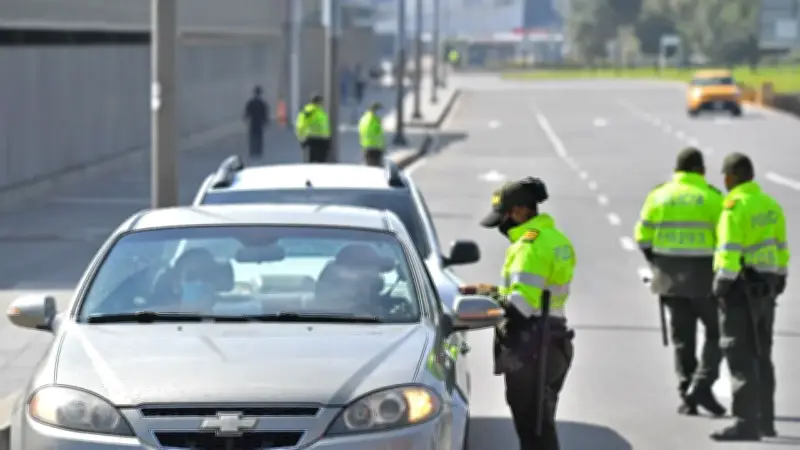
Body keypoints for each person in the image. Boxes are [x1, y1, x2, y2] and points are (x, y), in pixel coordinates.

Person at [460, 177, 576, 450]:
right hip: (555, 344)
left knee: (534, 435)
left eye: (506, 215)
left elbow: (520, 309)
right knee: (542, 429)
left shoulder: (528, 247)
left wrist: (487, 294)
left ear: (523, 211)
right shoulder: (555, 239)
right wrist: (490, 289)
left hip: (532, 349)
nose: (503, 223)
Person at [633, 147, 726, 417]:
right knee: (718, 333)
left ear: (677, 170)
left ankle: (688, 392)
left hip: (670, 280)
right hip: (706, 280)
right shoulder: (712, 197)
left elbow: (642, 237)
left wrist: (657, 263)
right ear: (701, 171)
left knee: (682, 339)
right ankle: (701, 386)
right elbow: (726, 240)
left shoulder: (658, 196)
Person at [710, 153, 789, 441]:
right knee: (762, 355)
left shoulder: (733, 207)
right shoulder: (771, 205)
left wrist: (720, 286)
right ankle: (766, 421)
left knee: (740, 355)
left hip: (741, 290)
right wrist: (780, 278)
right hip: (766, 288)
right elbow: (781, 247)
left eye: (725, 176)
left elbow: (730, 252)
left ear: (731, 177)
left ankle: (746, 424)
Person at [295, 94, 331, 163]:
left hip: (322, 140)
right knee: (312, 163)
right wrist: (302, 138)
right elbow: (301, 125)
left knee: (320, 163)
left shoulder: (320, 111)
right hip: (313, 140)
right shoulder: (309, 111)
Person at [243, 86, 270, 159]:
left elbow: (247, 113)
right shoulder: (262, 103)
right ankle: (258, 151)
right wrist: (266, 122)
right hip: (259, 123)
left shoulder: (251, 102)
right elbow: (265, 114)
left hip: (253, 122)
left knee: (252, 137)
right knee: (259, 137)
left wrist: (246, 118)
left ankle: (252, 151)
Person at [358, 102, 386, 167]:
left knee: (370, 168)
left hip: (367, 146)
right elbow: (377, 133)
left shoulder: (364, 118)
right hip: (375, 148)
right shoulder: (374, 120)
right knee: (375, 169)